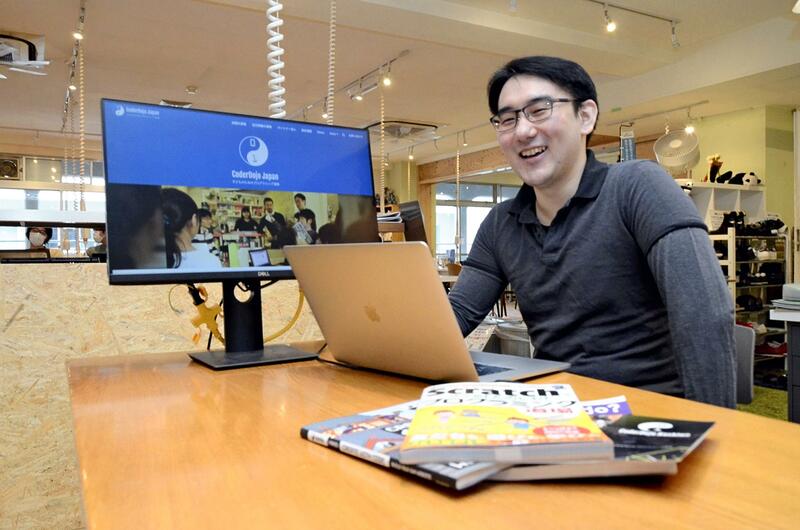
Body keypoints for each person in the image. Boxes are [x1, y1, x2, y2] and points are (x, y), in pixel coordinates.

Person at [448, 56, 735, 407]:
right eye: (507, 119)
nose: (522, 131)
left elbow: (703, 313)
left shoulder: (639, 187)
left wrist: (718, 427)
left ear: (585, 116)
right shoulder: (501, 223)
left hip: (647, 410)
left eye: (539, 110)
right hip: (554, 411)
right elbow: (454, 318)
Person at [162, 188, 222, 269]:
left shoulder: (150, 262)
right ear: (194, 220)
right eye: (206, 219)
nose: (209, 221)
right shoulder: (210, 262)